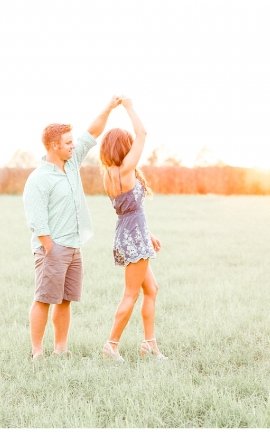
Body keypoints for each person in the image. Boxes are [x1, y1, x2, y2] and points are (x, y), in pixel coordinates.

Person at [23, 96, 122, 361]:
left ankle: (61, 349)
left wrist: (109, 107)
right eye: (68, 143)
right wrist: (49, 248)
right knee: (43, 299)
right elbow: (36, 219)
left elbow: (93, 132)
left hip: (74, 246)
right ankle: (37, 353)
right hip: (51, 248)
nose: (73, 145)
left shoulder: (72, 162)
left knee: (65, 301)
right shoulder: (39, 179)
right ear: (54, 146)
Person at [99, 96, 168, 362]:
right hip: (133, 236)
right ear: (125, 147)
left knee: (152, 290)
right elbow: (143, 132)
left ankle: (149, 344)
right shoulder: (125, 170)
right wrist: (128, 106)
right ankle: (111, 345)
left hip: (128, 233)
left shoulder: (108, 174)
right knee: (131, 293)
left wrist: (147, 235)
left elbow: (128, 211)